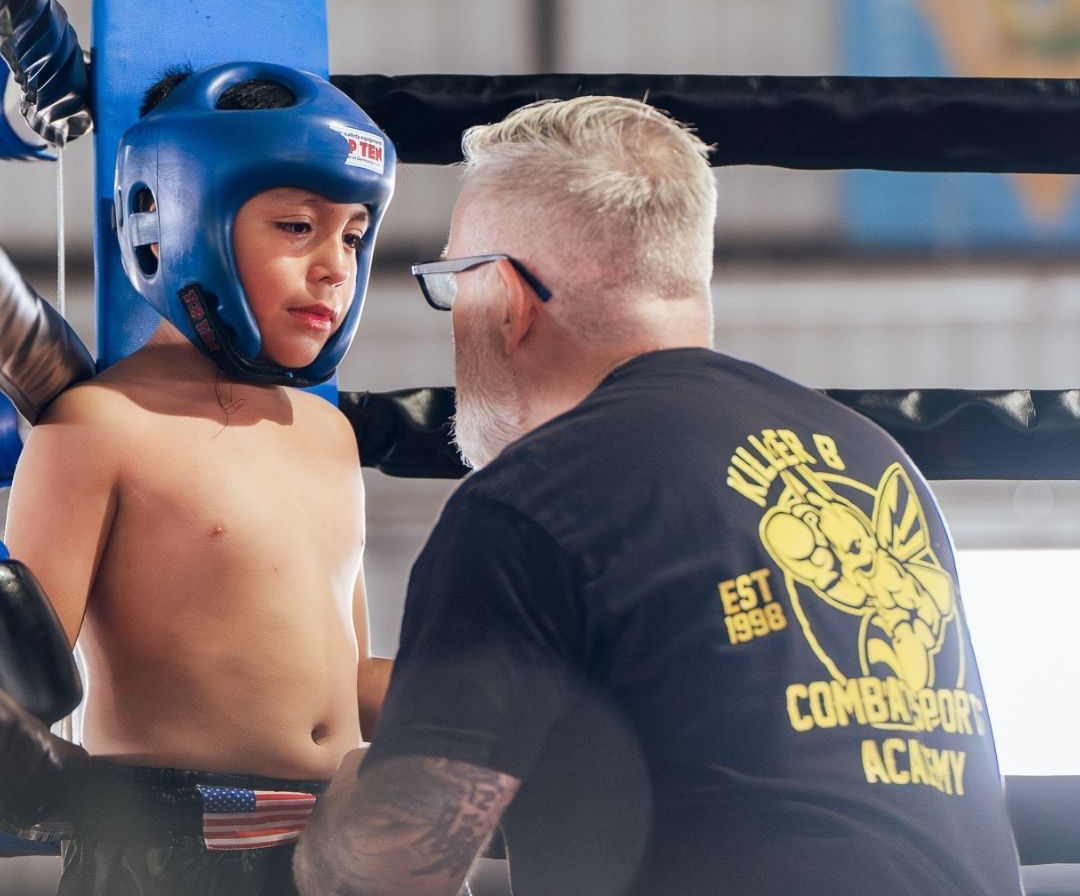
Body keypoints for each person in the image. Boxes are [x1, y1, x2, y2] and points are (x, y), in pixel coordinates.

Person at [292, 95, 1025, 896]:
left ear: (506, 297)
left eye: (453, 283)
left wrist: (340, 815)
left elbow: (392, 870)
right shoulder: (868, 461)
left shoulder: (535, 497)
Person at [0, 60, 396, 895]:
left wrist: (512, 687)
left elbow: (350, 681)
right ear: (180, 214)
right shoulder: (101, 428)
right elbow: (23, 678)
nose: (335, 265)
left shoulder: (325, 432)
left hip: (336, 848)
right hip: (168, 853)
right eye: (297, 226)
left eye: (354, 235)